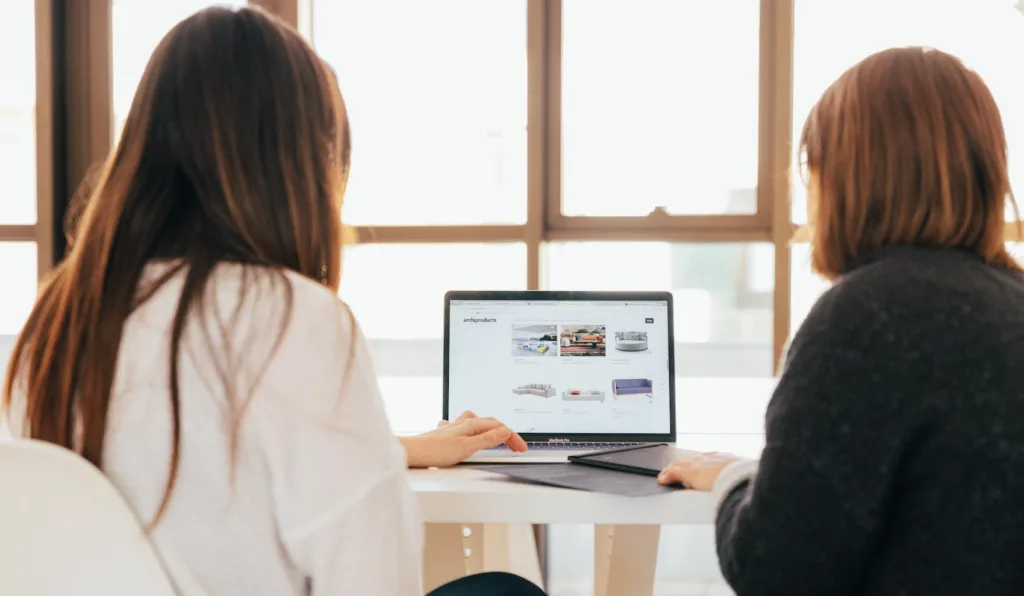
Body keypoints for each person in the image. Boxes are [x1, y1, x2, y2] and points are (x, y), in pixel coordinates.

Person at [1, 6, 541, 596]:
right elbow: (374, 577)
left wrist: (399, 450)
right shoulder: (292, 319)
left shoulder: (57, 320)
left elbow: (188, 478)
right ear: (296, 165)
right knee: (505, 590)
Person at [659, 47, 1024, 595]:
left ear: (845, 176)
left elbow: (774, 570)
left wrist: (734, 479)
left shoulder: (867, 315)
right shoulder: (1012, 299)